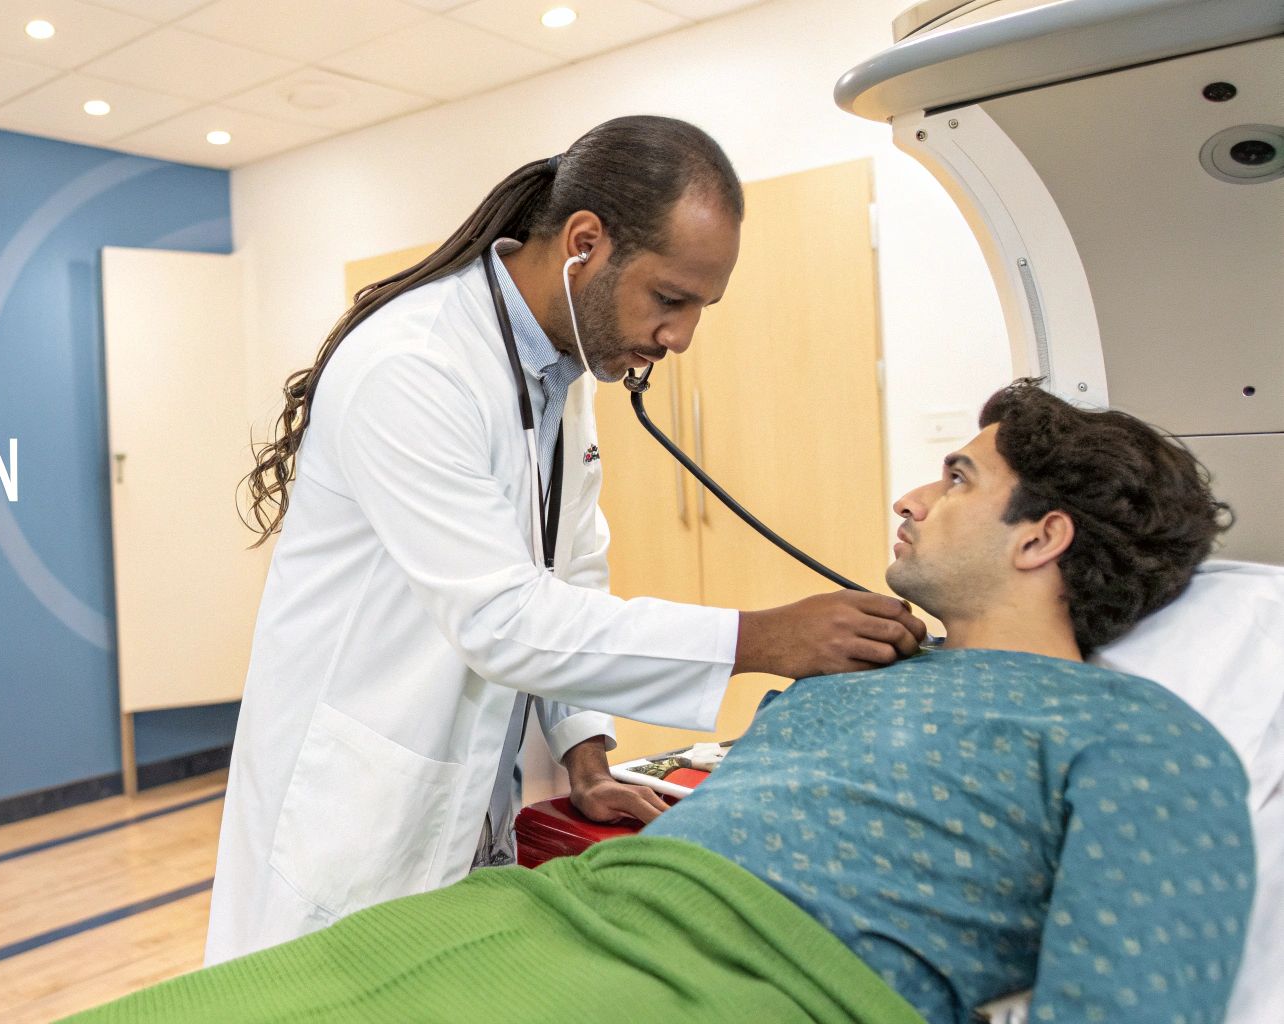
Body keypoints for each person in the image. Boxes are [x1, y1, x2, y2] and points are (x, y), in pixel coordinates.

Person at [71, 381, 1253, 1024]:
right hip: (538, 915)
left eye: (955, 476)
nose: (908, 495)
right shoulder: (853, 672)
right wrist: (665, 808)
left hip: (735, 980)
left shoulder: (1138, 738)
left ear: (1041, 536)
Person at [208, 116, 928, 963]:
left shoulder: (560, 369)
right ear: (584, 243)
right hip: (353, 820)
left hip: (467, 803)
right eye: (670, 298)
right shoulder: (414, 364)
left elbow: (570, 575)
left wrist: (587, 757)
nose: (681, 337)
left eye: (701, 307)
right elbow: (504, 620)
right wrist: (764, 637)